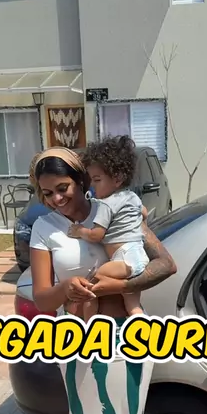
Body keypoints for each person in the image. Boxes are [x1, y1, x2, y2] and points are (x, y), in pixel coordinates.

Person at [29, 147, 177, 414]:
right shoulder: (44, 228)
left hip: (127, 338)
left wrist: (115, 286)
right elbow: (42, 299)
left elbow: (165, 264)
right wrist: (65, 288)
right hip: (77, 340)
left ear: (81, 180)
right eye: (47, 193)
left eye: (63, 188)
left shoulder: (114, 209)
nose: (56, 199)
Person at [67, 136, 148, 320]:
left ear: (117, 179)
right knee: (133, 307)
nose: (92, 185)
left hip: (123, 259)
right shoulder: (132, 197)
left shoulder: (107, 204)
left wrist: (80, 231)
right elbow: (144, 213)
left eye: (97, 180)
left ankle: (88, 324)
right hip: (138, 256)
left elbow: (96, 235)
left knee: (91, 287)